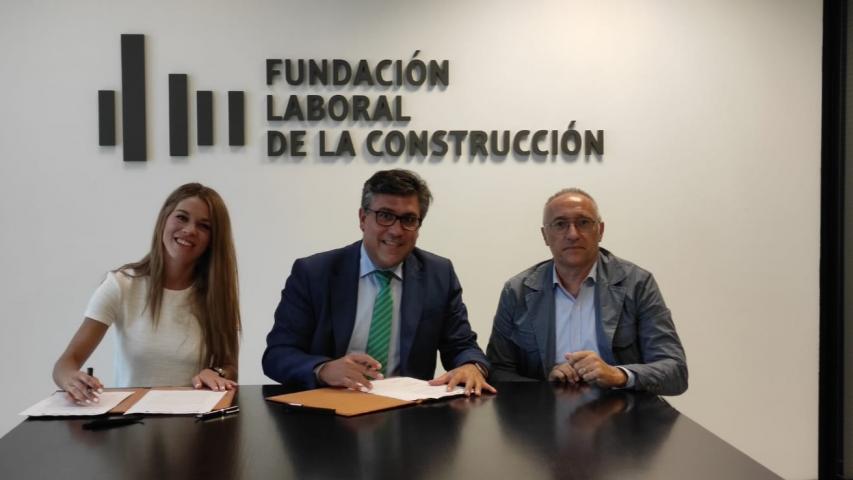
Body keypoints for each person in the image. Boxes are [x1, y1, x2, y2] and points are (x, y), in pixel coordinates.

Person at [263, 169, 494, 396]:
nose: (396, 230)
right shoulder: (314, 273)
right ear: (363, 219)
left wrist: (472, 366)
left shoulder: (438, 274)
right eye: (385, 215)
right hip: (331, 408)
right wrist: (324, 369)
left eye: (408, 219)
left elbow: (461, 345)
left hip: (408, 414)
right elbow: (277, 354)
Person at [486, 188, 687, 395]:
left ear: (600, 230)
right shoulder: (518, 291)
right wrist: (545, 384)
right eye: (560, 224)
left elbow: (675, 371)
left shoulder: (637, 284)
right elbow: (497, 371)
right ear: (545, 235)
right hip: (543, 416)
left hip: (624, 415)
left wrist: (618, 375)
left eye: (583, 222)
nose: (572, 234)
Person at [53, 183, 241, 404]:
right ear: (164, 219)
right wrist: (72, 380)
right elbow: (65, 364)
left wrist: (216, 372)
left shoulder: (216, 294)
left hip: (194, 423)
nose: (190, 230)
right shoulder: (121, 284)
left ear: (213, 240)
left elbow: (230, 368)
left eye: (204, 226)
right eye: (181, 217)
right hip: (131, 424)